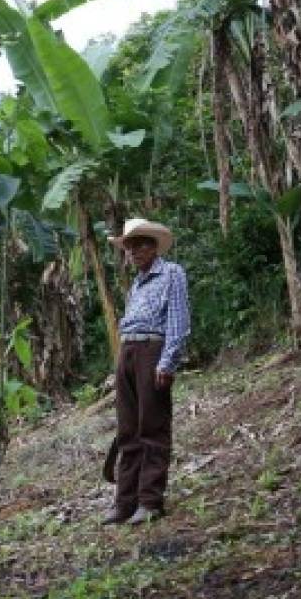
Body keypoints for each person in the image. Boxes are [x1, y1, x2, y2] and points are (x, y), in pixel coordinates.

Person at [102, 218, 191, 525]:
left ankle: (150, 501)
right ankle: (124, 502)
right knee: (128, 429)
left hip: (152, 351)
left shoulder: (171, 274)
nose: (135, 251)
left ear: (154, 246)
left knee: (152, 427)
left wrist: (167, 362)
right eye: (129, 246)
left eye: (141, 244)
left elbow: (178, 322)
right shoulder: (136, 284)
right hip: (128, 352)